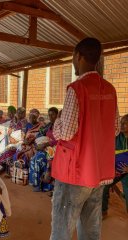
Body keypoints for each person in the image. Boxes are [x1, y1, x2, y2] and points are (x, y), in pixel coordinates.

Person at [50, 38, 120, 240]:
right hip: (99, 171)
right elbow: (115, 129)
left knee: (62, 229)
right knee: (90, 229)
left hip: (75, 172)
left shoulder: (76, 89)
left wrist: (58, 121)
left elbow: (65, 133)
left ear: (78, 56)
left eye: (73, 57)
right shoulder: (110, 89)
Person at [102, 114, 128, 217]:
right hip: (116, 170)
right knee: (104, 186)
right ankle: (103, 211)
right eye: (121, 123)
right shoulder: (116, 137)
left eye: (125, 123)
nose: (121, 125)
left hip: (127, 172)